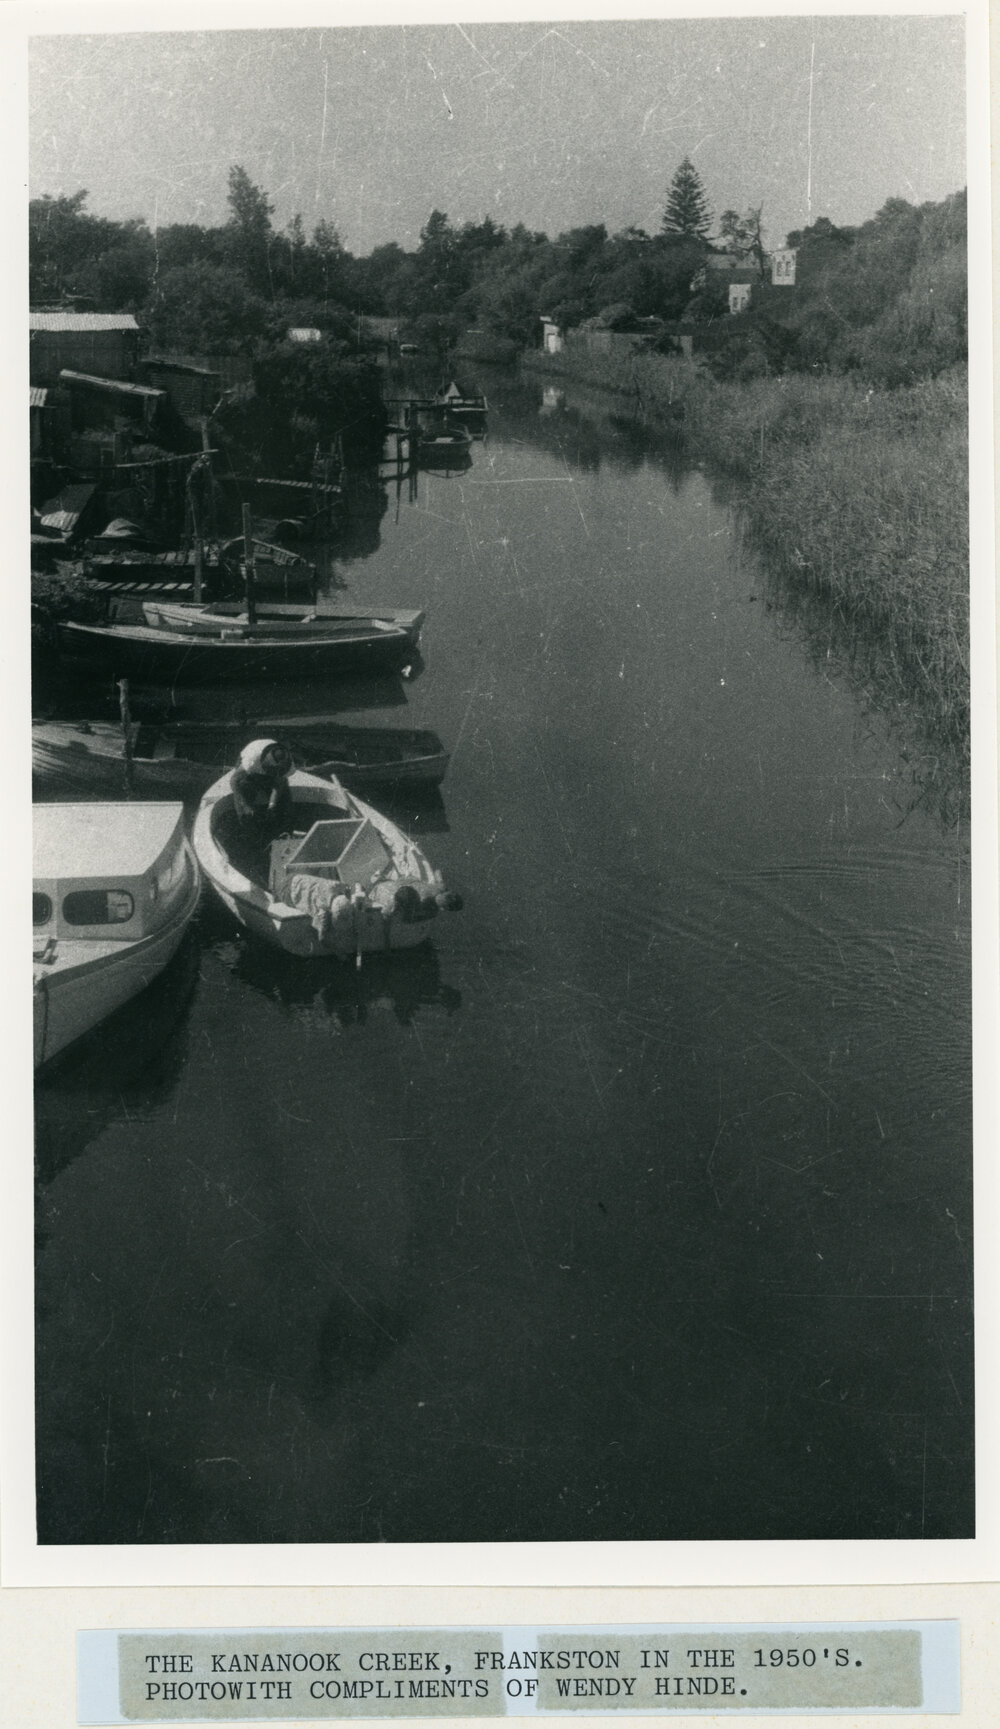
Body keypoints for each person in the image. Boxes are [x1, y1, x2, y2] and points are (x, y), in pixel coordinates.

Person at [222, 738, 294, 883]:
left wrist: (272, 805)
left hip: (267, 773)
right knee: (246, 805)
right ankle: (252, 846)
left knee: (285, 807)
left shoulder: (287, 762)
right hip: (248, 775)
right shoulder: (252, 760)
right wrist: (245, 805)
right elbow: (234, 782)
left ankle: (281, 843)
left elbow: (279, 785)